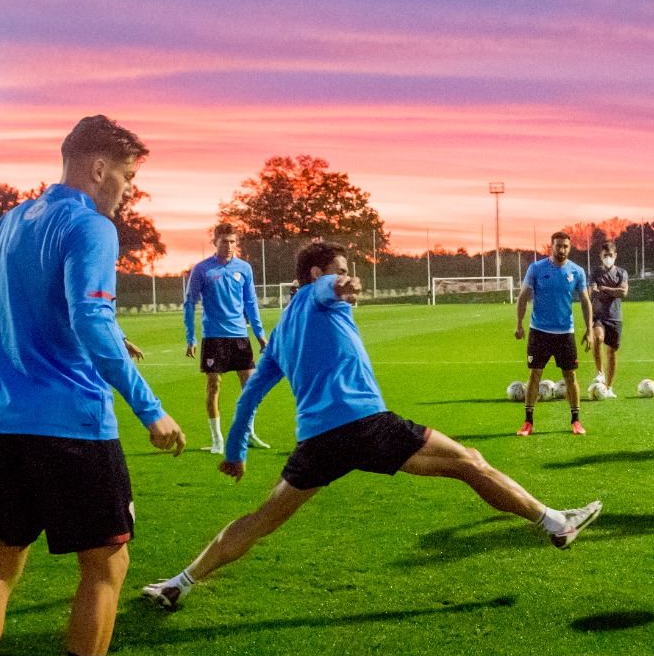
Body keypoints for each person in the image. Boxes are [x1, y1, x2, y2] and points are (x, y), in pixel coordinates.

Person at [140, 241, 601, 610]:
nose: (348, 279)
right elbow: (324, 291)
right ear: (320, 274)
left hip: (317, 441)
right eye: (340, 269)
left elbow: (249, 398)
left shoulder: (280, 334)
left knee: (262, 519)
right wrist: (339, 287)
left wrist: (236, 452)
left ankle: (181, 582)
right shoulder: (322, 295)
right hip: (365, 425)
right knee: (470, 462)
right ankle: (555, 522)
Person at [0, 115, 186, 656]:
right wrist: (151, 407)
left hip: (10, 426)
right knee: (106, 566)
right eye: (128, 177)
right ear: (98, 167)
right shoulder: (90, 225)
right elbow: (90, 314)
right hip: (76, 426)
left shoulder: (9, 225)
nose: (128, 192)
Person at [184, 221, 270, 454]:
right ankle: (217, 440)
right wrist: (190, 337)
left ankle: (248, 433)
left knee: (251, 388)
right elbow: (189, 303)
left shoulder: (244, 269)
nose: (229, 246)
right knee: (214, 387)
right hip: (214, 337)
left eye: (233, 242)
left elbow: (250, 303)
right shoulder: (202, 269)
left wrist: (260, 334)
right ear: (215, 242)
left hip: (239, 336)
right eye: (225, 242)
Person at [514, 231, 593, 436]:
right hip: (539, 331)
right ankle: (528, 422)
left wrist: (590, 330)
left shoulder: (577, 271)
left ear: (570, 247)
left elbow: (585, 300)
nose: (562, 250)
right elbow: (523, 296)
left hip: (565, 332)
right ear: (551, 246)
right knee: (534, 374)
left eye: (566, 246)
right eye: (558, 246)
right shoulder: (537, 268)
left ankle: (576, 420)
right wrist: (519, 324)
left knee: (570, 376)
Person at [588, 241, 629, 398]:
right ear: (600, 256)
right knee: (598, 338)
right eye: (605, 255)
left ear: (615, 255)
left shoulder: (622, 273)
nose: (608, 258)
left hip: (615, 317)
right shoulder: (595, 272)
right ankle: (600, 372)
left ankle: (609, 388)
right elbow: (592, 292)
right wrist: (612, 291)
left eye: (610, 255)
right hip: (598, 315)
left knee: (611, 352)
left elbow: (623, 292)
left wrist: (604, 289)